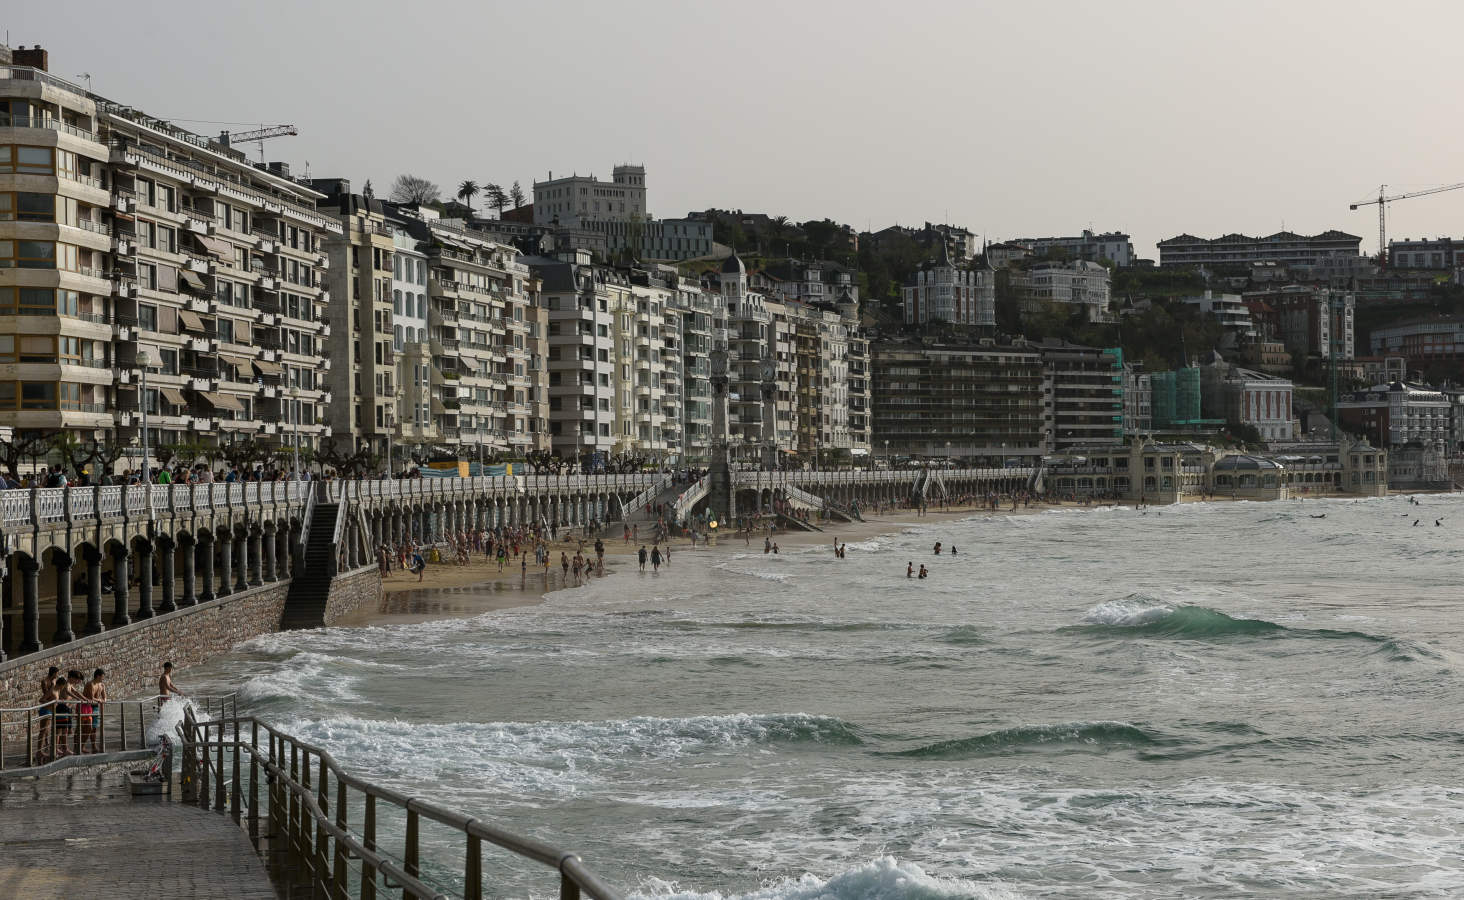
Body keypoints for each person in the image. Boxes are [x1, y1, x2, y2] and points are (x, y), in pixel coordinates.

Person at [82, 668, 107, 753]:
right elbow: (91, 697)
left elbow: (104, 697)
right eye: (102, 677)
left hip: (95, 707)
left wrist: (104, 700)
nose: (103, 678)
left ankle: (93, 746)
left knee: (94, 728)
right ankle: (81, 746)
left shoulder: (101, 685)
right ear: (98, 676)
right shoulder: (90, 684)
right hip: (87, 707)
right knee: (86, 728)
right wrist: (100, 700)